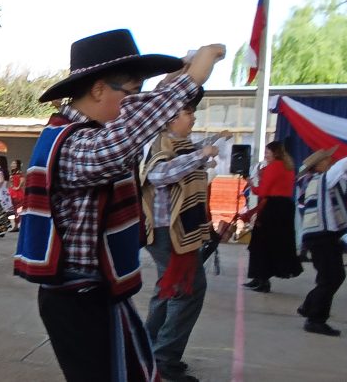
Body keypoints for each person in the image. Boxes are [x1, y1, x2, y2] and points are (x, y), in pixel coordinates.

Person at [13, 29, 224, 382]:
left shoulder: (84, 133)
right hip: (78, 299)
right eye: (131, 92)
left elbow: (130, 125)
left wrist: (172, 84)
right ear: (98, 89)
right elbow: (124, 138)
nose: (134, 103)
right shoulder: (75, 144)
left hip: (95, 293)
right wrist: (190, 81)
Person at [139, 88, 216, 382]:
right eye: (188, 113)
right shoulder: (160, 144)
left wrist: (206, 147)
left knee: (168, 289)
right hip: (166, 231)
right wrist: (200, 155)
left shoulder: (179, 143)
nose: (193, 117)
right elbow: (158, 175)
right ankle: (164, 357)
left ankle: (149, 347)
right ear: (170, 120)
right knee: (188, 288)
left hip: (177, 231)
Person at [296, 147, 347, 337]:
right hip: (321, 236)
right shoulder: (321, 180)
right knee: (332, 277)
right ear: (319, 165)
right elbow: (340, 168)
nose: (330, 161)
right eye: (327, 160)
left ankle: (310, 307)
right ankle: (315, 318)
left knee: (329, 276)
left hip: (321, 235)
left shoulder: (315, 181)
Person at [242, 141, 304, 292]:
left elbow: (262, 191)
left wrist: (251, 183)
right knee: (274, 244)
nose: (265, 155)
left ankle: (261, 279)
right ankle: (260, 277)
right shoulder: (288, 167)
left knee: (262, 243)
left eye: (267, 152)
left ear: (274, 153)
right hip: (284, 208)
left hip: (272, 208)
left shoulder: (273, 167)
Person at [0, 155, 14, 237]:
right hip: (5, 191)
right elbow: (6, 182)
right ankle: (2, 229)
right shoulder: (5, 171)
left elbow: (1, 180)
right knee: (3, 211)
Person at [9, 159, 25, 230]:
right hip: (12, 191)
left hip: (18, 192)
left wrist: (18, 187)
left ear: (17, 165)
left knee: (19, 208)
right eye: (12, 163)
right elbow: (11, 182)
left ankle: (19, 223)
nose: (12, 164)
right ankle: (14, 225)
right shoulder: (12, 172)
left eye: (14, 163)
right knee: (13, 208)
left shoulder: (19, 172)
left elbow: (22, 180)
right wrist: (12, 186)